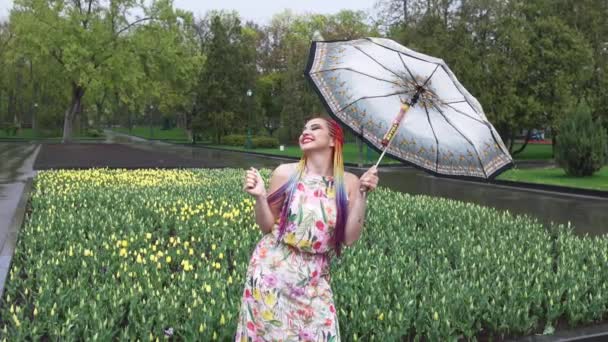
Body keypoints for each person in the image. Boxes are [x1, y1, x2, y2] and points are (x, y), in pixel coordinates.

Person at [235, 117, 379, 341]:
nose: (305, 132)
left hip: (315, 278)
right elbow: (266, 226)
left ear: (333, 140)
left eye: (315, 127)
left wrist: (361, 195)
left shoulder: (349, 183)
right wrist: (260, 197)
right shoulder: (286, 173)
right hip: (272, 272)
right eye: (303, 128)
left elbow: (350, 239)